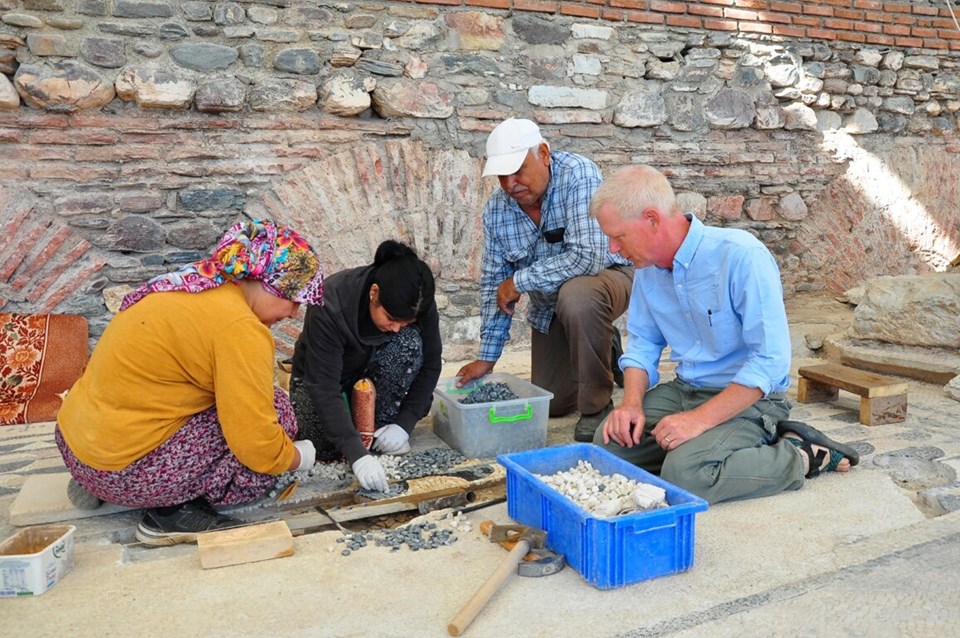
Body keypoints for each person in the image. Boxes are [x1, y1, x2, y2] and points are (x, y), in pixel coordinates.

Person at [588, 165, 859, 504]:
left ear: (652, 219)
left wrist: (698, 422)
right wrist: (630, 405)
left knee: (686, 476)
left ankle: (800, 454)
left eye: (618, 236)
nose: (613, 249)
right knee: (608, 446)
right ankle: (717, 451)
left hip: (751, 396)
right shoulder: (646, 270)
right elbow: (643, 345)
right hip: (686, 389)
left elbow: (770, 361)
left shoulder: (742, 255)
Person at [56, 219, 324, 545]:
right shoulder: (239, 326)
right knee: (277, 417)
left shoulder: (194, 281)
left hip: (77, 446)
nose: (295, 313)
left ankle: (94, 482)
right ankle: (171, 513)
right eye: (294, 299)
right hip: (121, 469)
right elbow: (256, 445)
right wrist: (298, 457)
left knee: (243, 404)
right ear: (267, 282)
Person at [456, 118, 634, 442]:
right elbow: (495, 284)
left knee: (578, 297)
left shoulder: (578, 174)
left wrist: (519, 281)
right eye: (502, 175)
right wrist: (488, 357)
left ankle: (597, 408)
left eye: (519, 170)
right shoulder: (497, 210)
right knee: (553, 403)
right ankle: (602, 342)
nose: (511, 183)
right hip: (551, 306)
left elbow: (588, 257)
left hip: (607, 277)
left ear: (544, 153)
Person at [290, 240, 441, 493]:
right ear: (374, 293)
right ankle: (361, 444)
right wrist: (357, 455)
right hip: (324, 381)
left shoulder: (418, 302)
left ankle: (379, 431)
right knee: (322, 446)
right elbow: (323, 386)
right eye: (391, 319)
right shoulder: (330, 303)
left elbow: (431, 364)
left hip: (374, 374)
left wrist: (404, 424)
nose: (395, 327)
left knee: (409, 342)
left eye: (405, 322)